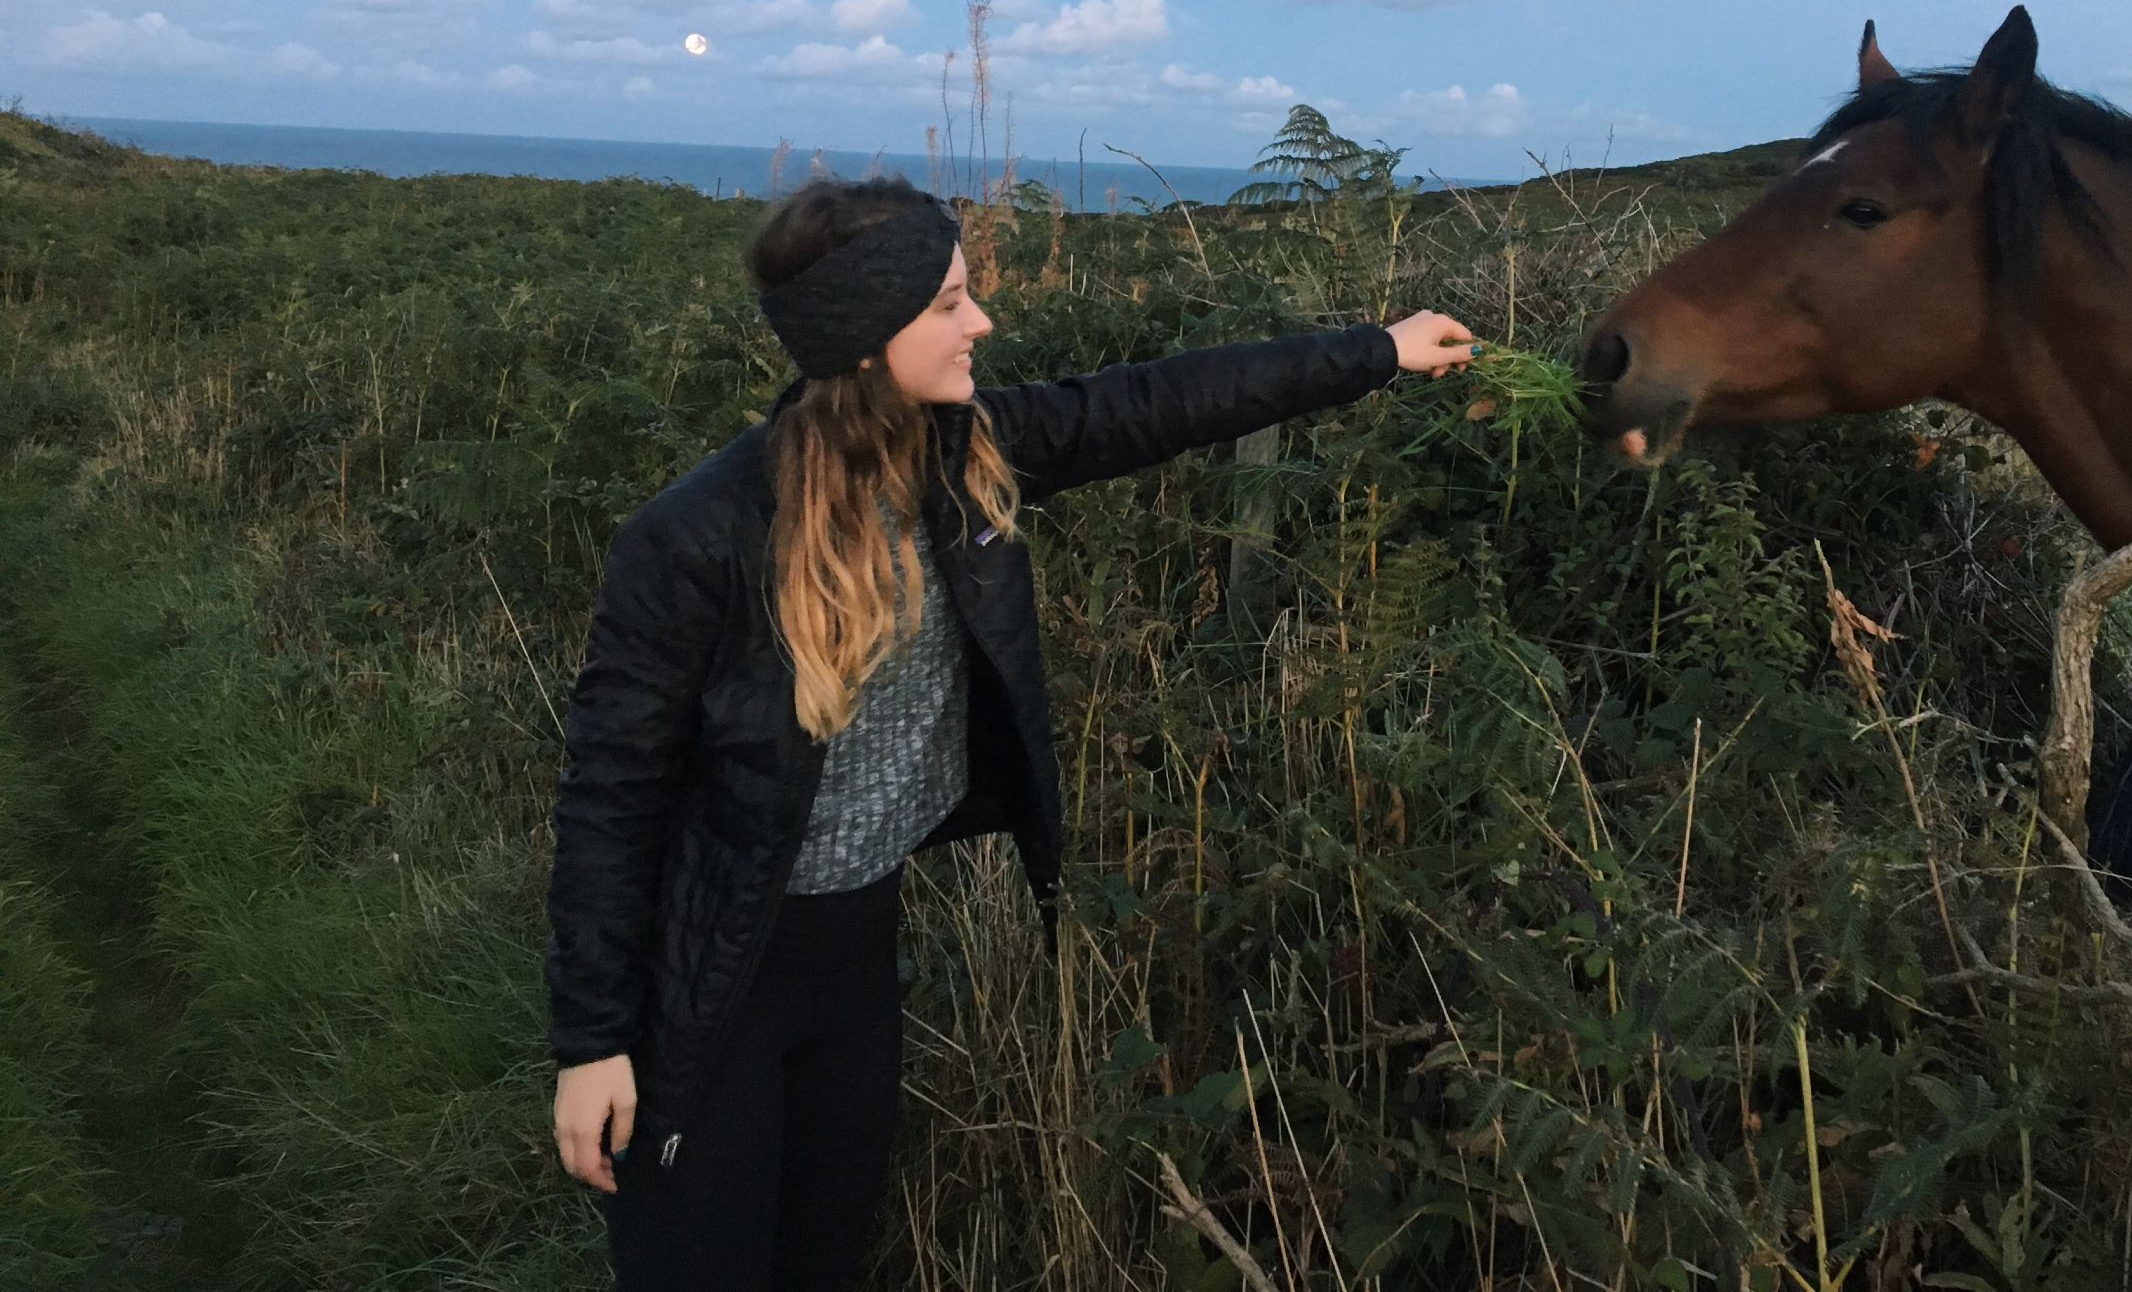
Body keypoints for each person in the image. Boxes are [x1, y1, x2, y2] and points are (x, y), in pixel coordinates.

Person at [544, 176, 1476, 1289]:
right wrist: (592, 1043)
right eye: (947, 304)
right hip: (711, 984)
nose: (979, 322)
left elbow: (1156, 402)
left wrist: (1378, 350)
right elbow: (611, 795)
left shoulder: (955, 452)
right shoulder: (696, 538)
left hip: (855, 957)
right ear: (861, 336)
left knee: (824, 1258)